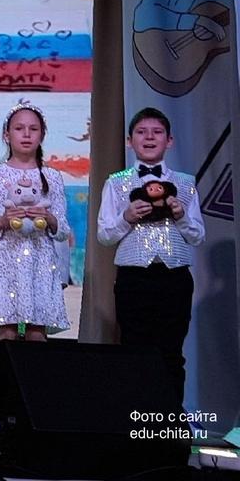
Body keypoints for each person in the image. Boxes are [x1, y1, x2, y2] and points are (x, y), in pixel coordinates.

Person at [97, 107, 204, 407]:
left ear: (169, 141)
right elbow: (104, 235)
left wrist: (181, 216)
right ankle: (137, 424)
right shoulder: (115, 182)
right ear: (129, 141)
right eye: (141, 132)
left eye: (157, 132)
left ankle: (170, 425)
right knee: (135, 353)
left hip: (175, 278)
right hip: (134, 279)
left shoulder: (185, 183)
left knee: (172, 354)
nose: (149, 138)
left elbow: (198, 235)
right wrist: (126, 217)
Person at [0, 102, 71, 342]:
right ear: (7, 135)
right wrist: (2, 221)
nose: (26, 134)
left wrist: (49, 219)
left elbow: (63, 230)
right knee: (6, 332)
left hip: (40, 261)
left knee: (36, 333)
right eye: (19, 128)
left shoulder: (52, 176)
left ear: (42, 135)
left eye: (33, 129)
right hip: (4, 261)